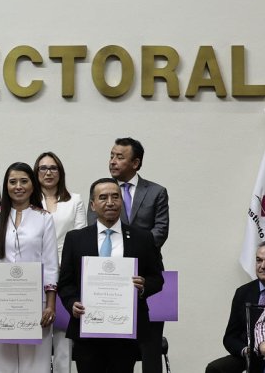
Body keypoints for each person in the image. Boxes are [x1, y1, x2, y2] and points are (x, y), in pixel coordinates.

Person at [58, 178, 165, 373]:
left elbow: (157, 279)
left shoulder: (142, 238)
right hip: (87, 328)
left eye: (115, 197)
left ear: (121, 202)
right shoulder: (75, 239)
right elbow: (65, 283)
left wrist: (144, 286)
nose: (110, 202)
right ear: (93, 205)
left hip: (125, 331)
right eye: (103, 197)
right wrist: (71, 302)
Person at [0, 162, 58, 373]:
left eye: (24, 181)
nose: (18, 186)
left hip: (35, 303)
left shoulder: (44, 218)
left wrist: (50, 305)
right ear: (6, 186)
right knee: (0, 364)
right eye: (13, 182)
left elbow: (51, 265)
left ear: (33, 185)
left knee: (36, 364)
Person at [99, 136, 169, 373]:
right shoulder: (101, 191)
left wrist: (130, 251)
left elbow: (160, 231)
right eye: (111, 156)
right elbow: (95, 231)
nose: (112, 161)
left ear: (136, 163)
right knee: (115, 347)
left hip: (148, 276)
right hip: (110, 277)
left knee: (150, 345)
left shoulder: (157, 192)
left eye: (119, 157)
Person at [35, 150, 87, 372]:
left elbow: (80, 237)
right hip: (36, 273)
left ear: (60, 172)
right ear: (36, 172)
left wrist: (63, 266)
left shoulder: (74, 200)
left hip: (66, 274)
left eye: (53, 168)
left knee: (63, 340)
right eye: (43, 168)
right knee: (37, 333)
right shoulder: (27, 201)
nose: (48, 172)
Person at [206, 241, 265, 373]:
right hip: (251, 354)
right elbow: (230, 337)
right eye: (259, 260)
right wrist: (246, 351)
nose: (263, 266)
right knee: (215, 369)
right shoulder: (243, 292)